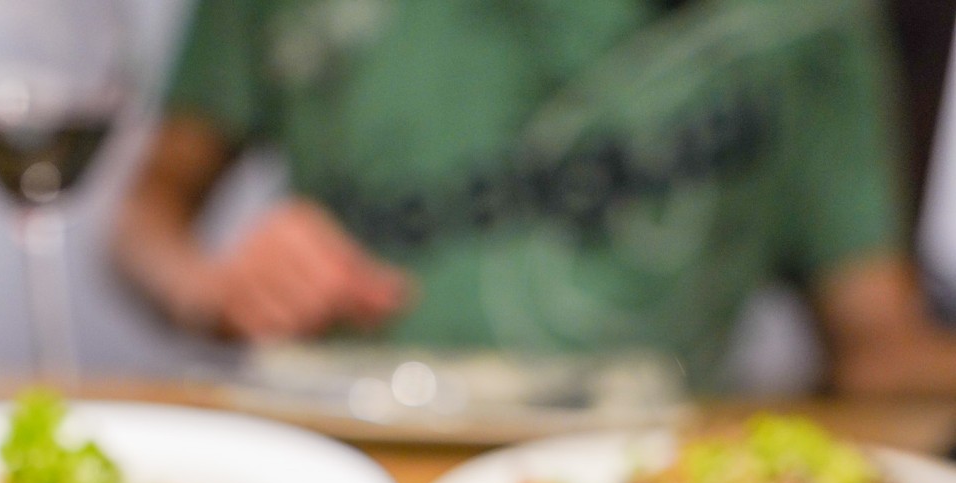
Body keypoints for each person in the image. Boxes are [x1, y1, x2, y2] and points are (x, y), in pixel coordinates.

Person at [112, 0, 956, 395]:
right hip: (349, 449)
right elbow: (144, 218)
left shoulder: (812, 26)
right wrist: (214, 288)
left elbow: (876, 341)